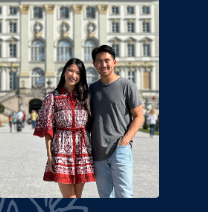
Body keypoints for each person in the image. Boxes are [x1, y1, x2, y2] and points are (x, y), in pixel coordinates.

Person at [89, 45, 145, 198]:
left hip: (119, 150)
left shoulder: (127, 86)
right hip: (98, 153)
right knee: (105, 196)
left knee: (125, 195)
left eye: (107, 60)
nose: (103, 64)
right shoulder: (91, 89)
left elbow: (139, 116)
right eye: (99, 61)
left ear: (114, 62)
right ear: (94, 65)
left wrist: (125, 141)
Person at [34, 58, 95, 198]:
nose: (73, 75)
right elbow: (48, 129)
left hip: (82, 150)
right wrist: (50, 156)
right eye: (70, 70)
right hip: (62, 149)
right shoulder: (52, 97)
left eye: (78, 73)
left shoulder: (86, 97)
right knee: (70, 197)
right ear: (64, 73)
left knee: (78, 197)